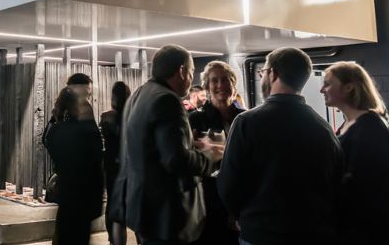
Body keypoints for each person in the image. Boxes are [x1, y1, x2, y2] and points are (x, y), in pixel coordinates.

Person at [218, 47, 343, 245]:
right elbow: (334, 186)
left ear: (273, 73)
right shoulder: (324, 128)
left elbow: (229, 186)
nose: (262, 77)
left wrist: (246, 217)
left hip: (262, 232)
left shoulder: (247, 122)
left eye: (263, 72)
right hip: (312, 234)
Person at [113, 45, 223, 245]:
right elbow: (175, 160)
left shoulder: (139, 94)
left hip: (144, 211)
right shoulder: (168, 100)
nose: (191, 79)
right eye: (191, 72)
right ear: (181, 71)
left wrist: (192, 145)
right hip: (166, 217)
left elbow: (152, 148)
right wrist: (211, 154)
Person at [319, 62, 389, 243]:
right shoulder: (348, 124)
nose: (322, 90)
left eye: (327, 84)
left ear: (348, 87)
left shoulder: (371, 125)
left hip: (364, 227)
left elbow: (361, 182)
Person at [187, 61, 245, 245]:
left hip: (240, 196)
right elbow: (188, 157)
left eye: (225, 79)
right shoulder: (197, 118)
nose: (220, 85)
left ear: (233, 83)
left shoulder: (244, 117)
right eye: (214, 81)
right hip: (209, 198)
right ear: (207, 86)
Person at [46, 86, 104, 245]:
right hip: (81, 193)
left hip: (66, 191)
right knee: (79, 235)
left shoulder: (56, 127)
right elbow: (95, 156)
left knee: (64, 233)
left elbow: (47, 140)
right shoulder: (81, 130)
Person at [99, 81, 130, 245]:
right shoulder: (131, 116)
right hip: (128, 164)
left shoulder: (106, 116)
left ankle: (113, 239)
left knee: (112, 202)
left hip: (111, 164)